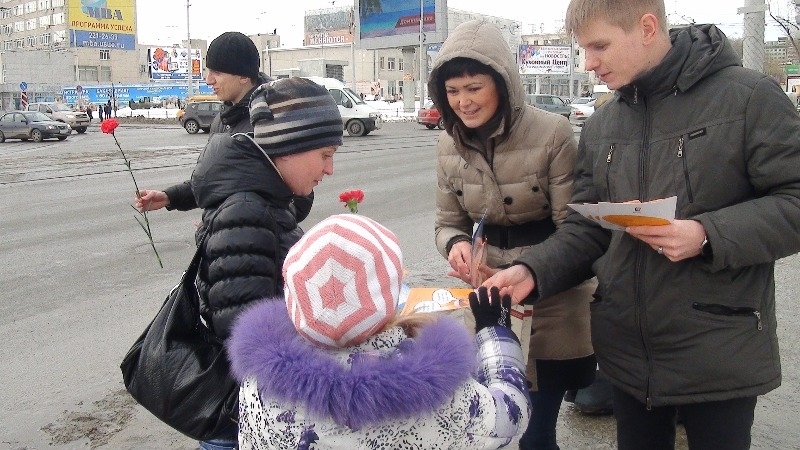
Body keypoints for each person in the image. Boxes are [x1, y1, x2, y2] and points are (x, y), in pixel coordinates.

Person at [484, 1, 800, 449]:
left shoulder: (749, 99)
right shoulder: (604, 122)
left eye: (600, 46)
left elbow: (794, 201)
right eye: (583, 49)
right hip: (627, 358)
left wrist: (706, 234)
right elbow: (588, 228)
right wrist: (532, 270)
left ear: (647, 27)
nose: (589, 63)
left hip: (716, 351)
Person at [428, 19, 596, 450]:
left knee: (535, 433)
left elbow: (576, 230)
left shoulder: (552, 133)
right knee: (487, 426)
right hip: (486, 298)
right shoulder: (448, 145)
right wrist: (457, 245)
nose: (463, 102)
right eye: (453, 91)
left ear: (502, 83)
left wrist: (529, 268)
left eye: (474, 88)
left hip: (550, 295)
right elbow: (447, 221)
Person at [226, 213, 531, 449]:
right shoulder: (440, 394)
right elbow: (510, 417)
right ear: (389, 298)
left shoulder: (259, 383)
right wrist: (495, 331)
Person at [187, 76, 343, 449]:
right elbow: (245, 333)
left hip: (249, 407)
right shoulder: (250, 209)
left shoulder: (268, 200)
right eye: (325, 155)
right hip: (239, 416)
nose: (330, 169)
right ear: (287, 148)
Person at [131, 32, 320, 219]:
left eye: (217, 72)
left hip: (261, 243)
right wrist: (170, 197)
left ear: (244, 76)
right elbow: (215, 179)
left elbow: (302, 196)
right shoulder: (222, 120)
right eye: (208, 70)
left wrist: (237, 222)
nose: (208, 79)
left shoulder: (273, 118)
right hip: (229, 239)